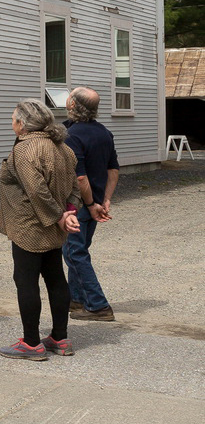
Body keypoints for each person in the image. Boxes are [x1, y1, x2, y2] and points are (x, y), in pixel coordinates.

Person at [0, 98, 79, 360]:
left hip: (29, 226)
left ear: (22, 124)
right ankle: (60, 338)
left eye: (12, 119)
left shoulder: (26, 149)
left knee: (26, 281)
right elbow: (74, 186)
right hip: (54, 225)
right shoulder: (62, 147)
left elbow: (36, 190)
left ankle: (31, 343)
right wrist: (68, 213)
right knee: (55, 278)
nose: (11, 124)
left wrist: (58, 217)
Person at [63, 86, 120, 322]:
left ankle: (98, 305)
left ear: (74, 105)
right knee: (79, 250)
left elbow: (80, 177)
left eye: (70, 95)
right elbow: (113, 168)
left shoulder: (72, 135)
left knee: (75, 253)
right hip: (95, 201)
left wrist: (91, 204)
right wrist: (105, 199)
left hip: (80, 205)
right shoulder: (104, 132)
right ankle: (76, 300)